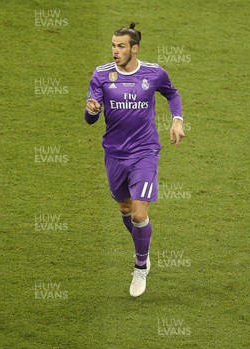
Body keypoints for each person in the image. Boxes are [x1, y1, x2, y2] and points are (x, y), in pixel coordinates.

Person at [85, 23, 185, 297]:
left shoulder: (153, 73)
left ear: (134, 48)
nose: (115, 51)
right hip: (114, 153)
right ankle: (143, 244)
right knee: (125, 209)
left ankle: (140, 265)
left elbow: (172, 93)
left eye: (121, 46)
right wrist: (91, 109)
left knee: (140, 213)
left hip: (144, 151)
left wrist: (177, 120)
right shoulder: (102, 75)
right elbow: (90, 118)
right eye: (113, 46)